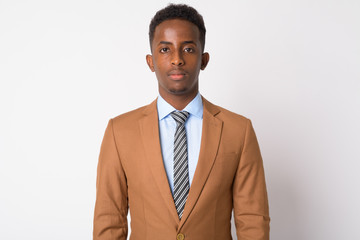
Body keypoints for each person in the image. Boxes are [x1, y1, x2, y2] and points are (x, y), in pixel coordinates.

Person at [93, 4, 270, 240]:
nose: (177, 59)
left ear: (204, 59)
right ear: (151, 61)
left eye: (188, 49)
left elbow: (253, 220)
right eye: (165, 49)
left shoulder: (239, 130)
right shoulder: (119, 131)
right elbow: (109, 220)